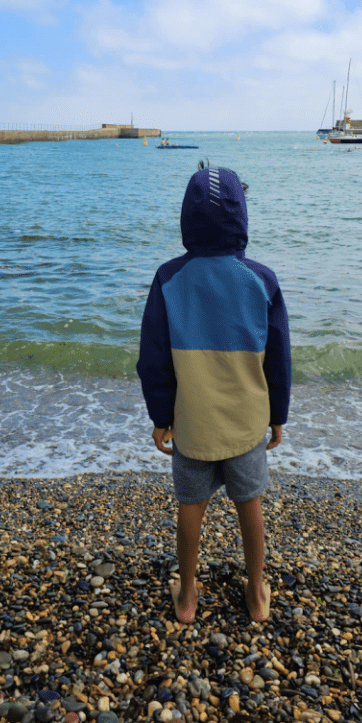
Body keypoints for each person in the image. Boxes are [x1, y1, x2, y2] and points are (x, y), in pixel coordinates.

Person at [137, 167, 291, 623]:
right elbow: (278, 358)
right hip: (246, 423)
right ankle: (257, 590)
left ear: (187, 218)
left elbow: (154, 358)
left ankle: (186, 596)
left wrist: (160, 414)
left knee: (191, 507)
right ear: (241, 217)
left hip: (193, 422)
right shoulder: (261, 279)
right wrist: (277, 414)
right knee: (250, 505)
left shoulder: (169, 278)